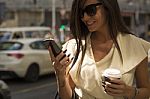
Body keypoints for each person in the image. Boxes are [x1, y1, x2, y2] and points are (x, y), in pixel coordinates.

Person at [48, 0, 150, 99]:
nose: (85, 18)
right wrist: (60, 75)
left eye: (90, 10)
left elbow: (146, 92)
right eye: (81, 13)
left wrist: (128, 91)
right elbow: (67, 96)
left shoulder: (134, 45)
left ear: (108, 7)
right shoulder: (74, 47)